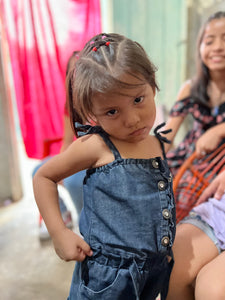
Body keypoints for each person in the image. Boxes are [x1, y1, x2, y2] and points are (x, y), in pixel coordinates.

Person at [33, 32, 176, 300]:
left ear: (152, 86)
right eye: (112, 111)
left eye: (138, 99)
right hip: (107, 279)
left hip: (153, 272)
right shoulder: (97, 146)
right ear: (93, 114)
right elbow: (44, 176)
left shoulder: (157, 143)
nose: (132, 119)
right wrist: (59, 232)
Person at [164, 11, 225, 299]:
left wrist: (220, 129)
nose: (217, 47)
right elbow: (166, 135)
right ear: (199, 47)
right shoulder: (190, 87)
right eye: (209, 40)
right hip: (190, 157)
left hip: (216, 165)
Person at [32, 51, 86, 240]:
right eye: (71, 73)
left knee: (73, 181)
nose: (75, 77)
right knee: (39, 172)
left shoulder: (99, 100)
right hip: (77, 156)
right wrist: (60, 168)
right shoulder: (69, 105)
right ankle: (63, 216)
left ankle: (86, 223)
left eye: (80, 71)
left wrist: (68, 171)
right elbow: (66, 141)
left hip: (93, 158)